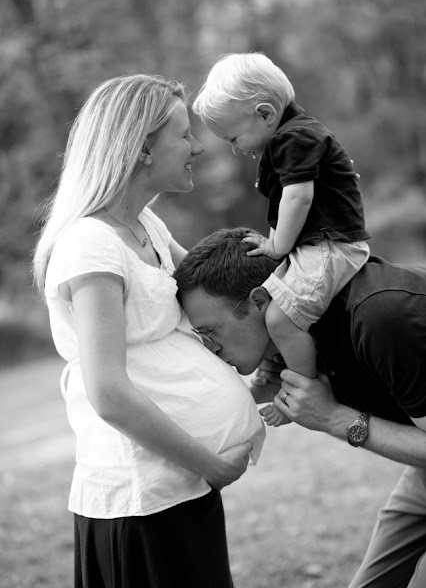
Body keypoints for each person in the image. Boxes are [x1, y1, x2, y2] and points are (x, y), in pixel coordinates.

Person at [32, 76, 265, 588]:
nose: (198, 147)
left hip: (182, 488)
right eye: (184, 134)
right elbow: (109, 395)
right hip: (140, 499)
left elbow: (214, 292)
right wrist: (211, 465)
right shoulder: (90, 245)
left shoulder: (146, 227)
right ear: (141, 147)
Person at [174, 226, 426, 588]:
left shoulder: (381, 319)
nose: (210, 347)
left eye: (210, 331)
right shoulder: (298, 334)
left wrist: (335, 419)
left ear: (259, 301)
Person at [192, 52, 370, 421]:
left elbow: (298, 198)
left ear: (265, 114)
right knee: (268, 301)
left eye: (234, 137)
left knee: (281, 318)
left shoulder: (296, 138)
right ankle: (273, 376)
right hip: (317, 245)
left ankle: (301, 394)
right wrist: (274, 247)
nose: (236, 148)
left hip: (332, 245)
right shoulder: (286, 141)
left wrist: (277, 246)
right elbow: (282, 205)